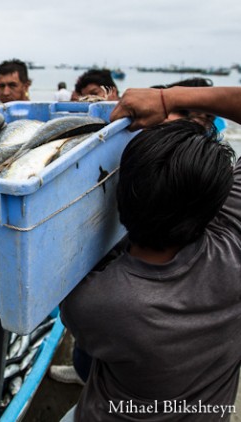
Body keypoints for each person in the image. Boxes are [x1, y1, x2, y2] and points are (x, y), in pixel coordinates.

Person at [59, 86, 241, 421]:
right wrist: (167, 100)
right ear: (215, 201)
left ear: (118, 199)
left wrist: (164, 99)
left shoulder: (94, 302)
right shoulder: (233, 242)